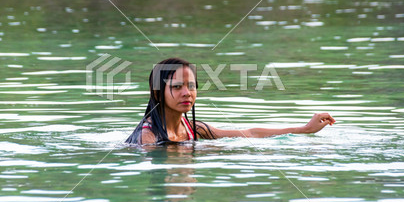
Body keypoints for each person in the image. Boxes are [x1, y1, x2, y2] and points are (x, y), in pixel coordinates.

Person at [125, 57, 336, 145]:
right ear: (157, 94)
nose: (187, 93)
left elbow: (250, 134)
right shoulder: (148, 138)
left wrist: (305, 129)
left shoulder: (194, 129)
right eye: (177, 87)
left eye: (191, 86)